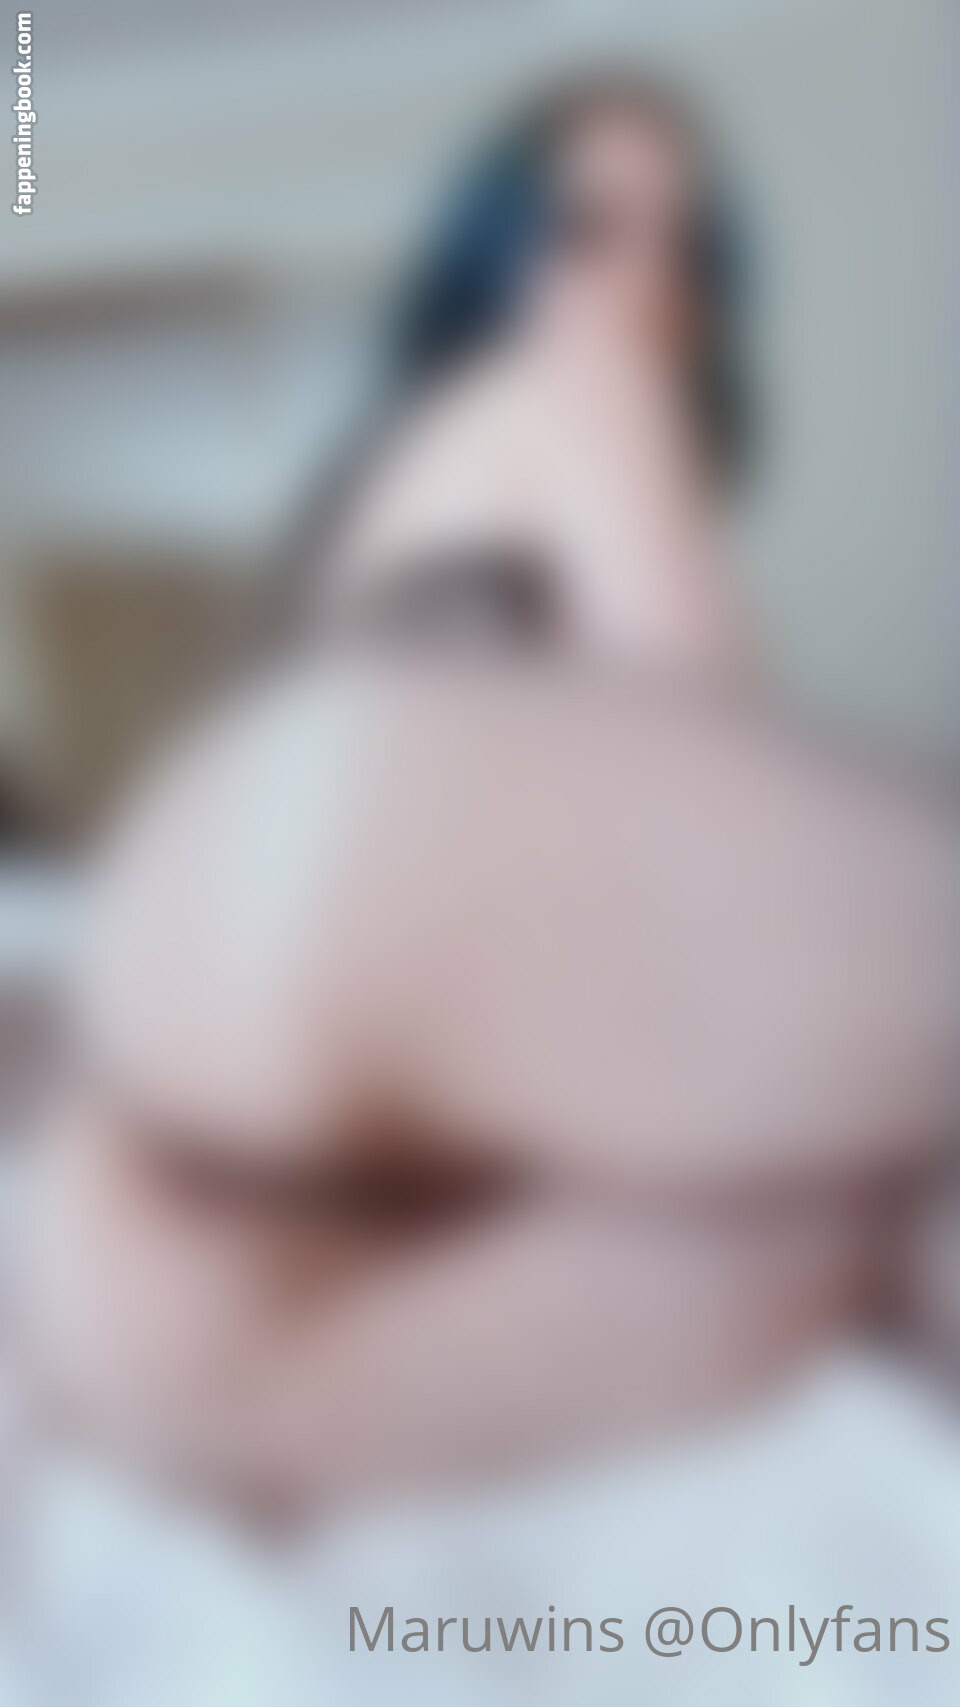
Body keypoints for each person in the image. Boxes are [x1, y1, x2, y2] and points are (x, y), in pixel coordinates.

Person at [298, 74, 752, 671]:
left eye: (686, 245)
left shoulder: (442, 445)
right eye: (589, 229)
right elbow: (700, 701)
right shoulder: (557, 402)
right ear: (496, 252)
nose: (650, 278)